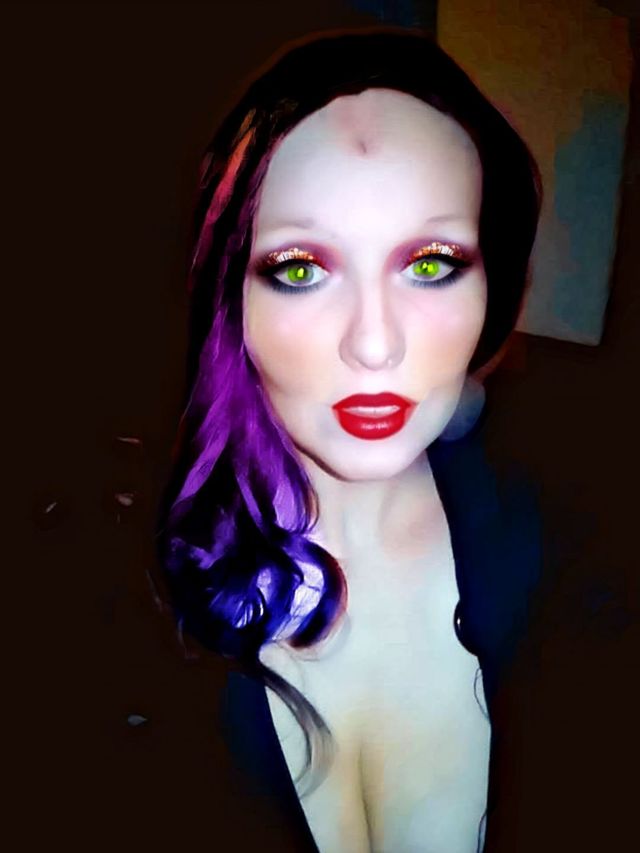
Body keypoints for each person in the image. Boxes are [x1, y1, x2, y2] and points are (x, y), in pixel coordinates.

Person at [154, 25, 545, 853]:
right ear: (231, 299)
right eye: (300, 268)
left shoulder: (578, 557)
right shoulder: (119, 599)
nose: (375, 345)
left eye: (430, 263)